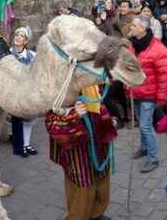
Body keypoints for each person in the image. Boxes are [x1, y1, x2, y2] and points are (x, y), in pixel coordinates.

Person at [46, 92, 117, 220]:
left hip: (99, 149)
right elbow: (52, 125)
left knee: (102, 189)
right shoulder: (60, 89)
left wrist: (108, 119)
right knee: (83, 195)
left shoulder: (94, 85)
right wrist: (74, 115)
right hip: (78, 156)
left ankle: (96, 215)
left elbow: (101, 105)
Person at [126, 15, 167, 173]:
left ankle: (153, 158)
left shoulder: (159, 49)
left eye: (133, 26)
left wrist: (161, 97)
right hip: (136, 92)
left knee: (145, 126)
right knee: (143, 125)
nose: (130, 28)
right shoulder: (133, 45)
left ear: (142, 28)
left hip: (149, 95)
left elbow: (164, 76)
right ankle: (144, 148)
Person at [8, 27, 38, 157]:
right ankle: (20, 145)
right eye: (16, 35)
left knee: (29, 119)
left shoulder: (32, 56)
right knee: (17, 119)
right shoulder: (8, 53)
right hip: (13, 91)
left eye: (21, 36)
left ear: (26, 41)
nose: (18, 37)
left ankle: (26, 144)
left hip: (27, 91)